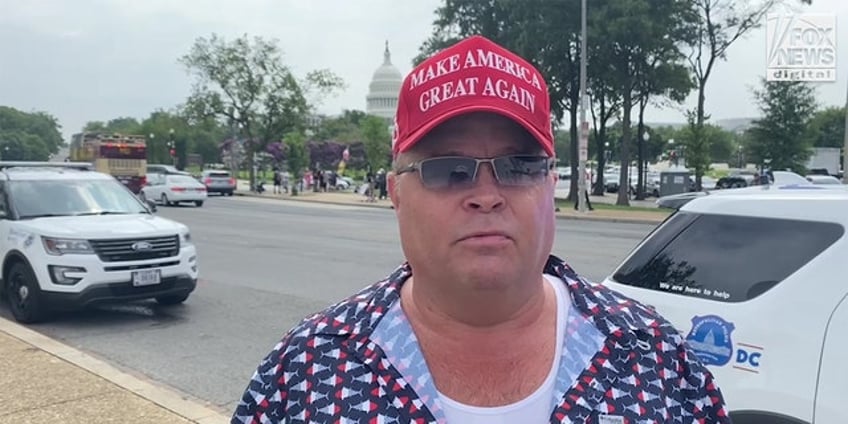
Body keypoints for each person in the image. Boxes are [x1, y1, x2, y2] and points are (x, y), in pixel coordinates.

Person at [231, 35, 730, 424]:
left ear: (551, 184)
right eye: (448, 169)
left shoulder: (656, 359)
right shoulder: (305, 373)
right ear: (396, 192)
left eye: (519, 166)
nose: (487, 195)